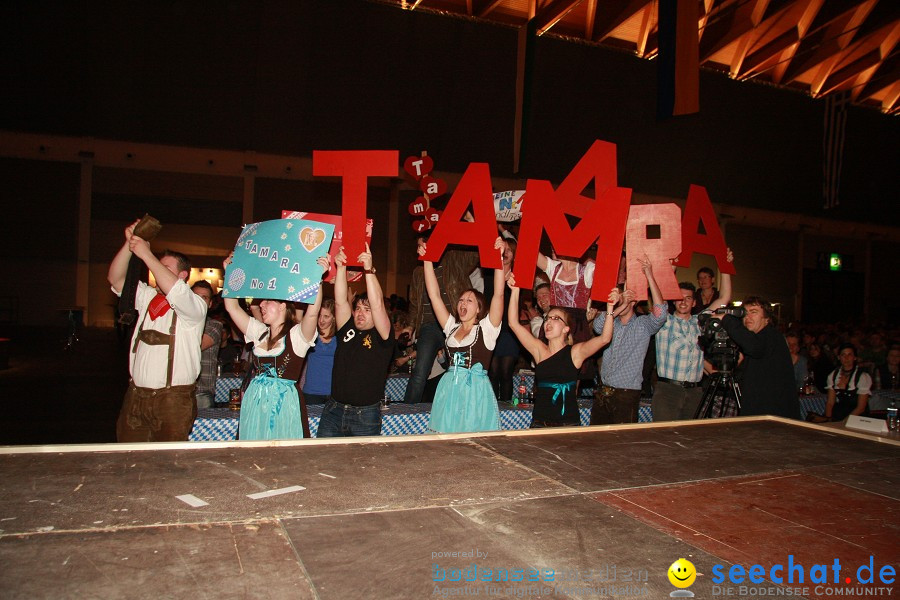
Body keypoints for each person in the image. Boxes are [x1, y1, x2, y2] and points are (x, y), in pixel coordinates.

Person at [108, 220, 207, 442]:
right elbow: (115, 279)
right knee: (129, 458)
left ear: (182, 276)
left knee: (167, 465)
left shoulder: (194, 305)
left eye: (165, 268)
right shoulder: (146, 296)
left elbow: (177, 294)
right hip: (136, 395)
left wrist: (147, 255)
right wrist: (129, 244)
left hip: (172, 401)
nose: (156, 270)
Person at [222, 254, 327, 440]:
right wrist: (229, 274)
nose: (261, 304)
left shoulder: (296, 336)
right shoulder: (259, 332)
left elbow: (312, 314)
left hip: (285, 406)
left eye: (268, 301)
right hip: (255, 405)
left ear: (282, 306)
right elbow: (232, 308)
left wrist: (318, 279)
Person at [420, 237, 507, 433]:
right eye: (461, 300)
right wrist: (427, 260)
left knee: (474, 441)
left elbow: (499, 294)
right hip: (449, 390)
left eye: (469, 300)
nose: (463, 303)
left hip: (475, 393)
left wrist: (498, 259)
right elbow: (434, 295)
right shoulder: (451, 326)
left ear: (478, 308)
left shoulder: (487, 329)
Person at [506, 274, 618, 427]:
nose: (549, 321)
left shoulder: (575, 353)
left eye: (556, 318)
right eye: (547, 318)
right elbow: (513, 323)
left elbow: (605, 338)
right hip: (540, 422)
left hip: (567, 423)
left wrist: (610, 308)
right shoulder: (540, 350)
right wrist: (515, 291)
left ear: (566, 328)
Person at [317, 244, 395, 437]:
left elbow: (377, 305)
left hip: (364, 416)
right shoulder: (348, 329)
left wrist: (368, 269)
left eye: (366, 310)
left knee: (361, 466)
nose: (360, 313)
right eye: (358, 308)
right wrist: (341, 267)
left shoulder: (382, 335)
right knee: (321, 462)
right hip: (333, 410)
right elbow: (341, 302)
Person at [654, 250, 733, 421]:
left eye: (688, 298)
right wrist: (672, 266)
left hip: (695, 392)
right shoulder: (664, 322)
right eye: (679, 298)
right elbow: (658, 292)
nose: (683, 302)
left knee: (690, 440)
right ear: (673, 300)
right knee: (664, 440)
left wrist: (725, 267)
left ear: (694, 302)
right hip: (668, 391)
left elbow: (724, 297)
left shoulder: (700, 321)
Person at [590, 257, 667, 424]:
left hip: (626, 393)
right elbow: (597, 326)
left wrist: (649, 275)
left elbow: (661, 314)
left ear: (635, 300)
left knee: (622, 442)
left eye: (627, 295)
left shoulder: (642, 324)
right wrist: (619, 307)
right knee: (595, 440)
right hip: (603, 391)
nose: (623, 297)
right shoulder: (611, 321)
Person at [405, 236, 479, 404]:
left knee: (459, 370)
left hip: (455, 324)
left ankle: (459, 407)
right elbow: (415, 303)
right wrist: (410, 326)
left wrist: (470, 226)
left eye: (422, 245)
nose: (419, 248)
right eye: (417, 246)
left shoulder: (453, 259)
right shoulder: (418, 272)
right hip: (429, 326)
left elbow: (476, 255)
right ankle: (407, 411)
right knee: (420, 372)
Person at [718, 296, 798, 419]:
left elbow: (755, 347)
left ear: (766, 318)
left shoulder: (771, 336)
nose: (747, 317)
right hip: (762, 414)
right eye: (745, 313)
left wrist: (726, 319)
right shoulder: (756, 339)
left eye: (754, 312)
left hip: (774, 416)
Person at [816, 343, 873, 422]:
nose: (846, 358)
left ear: (855, 357)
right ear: (839, 357)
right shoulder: (833, 375)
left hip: (857, 416)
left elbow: (861, 407)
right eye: (843, 355)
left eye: (850, 354)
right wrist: (828, 419)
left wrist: (844, 422)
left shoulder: (862, 376)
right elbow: (830, 403)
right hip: (840, 413)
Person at [191, 280, 223, 409]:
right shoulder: (176, 323)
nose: (199, 301)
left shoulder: (214, 325)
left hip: (200, 392)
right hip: (175, 391)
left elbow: (193, 347)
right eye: (196, 297)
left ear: (210, 304)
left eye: (204, 298)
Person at [302, 298, 337, 404]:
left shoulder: (340, 337)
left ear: (334, 318)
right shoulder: (311, 334)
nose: (321, 320)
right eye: (319, 316)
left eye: (326, 316)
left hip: (334, 392)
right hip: (311, 392)